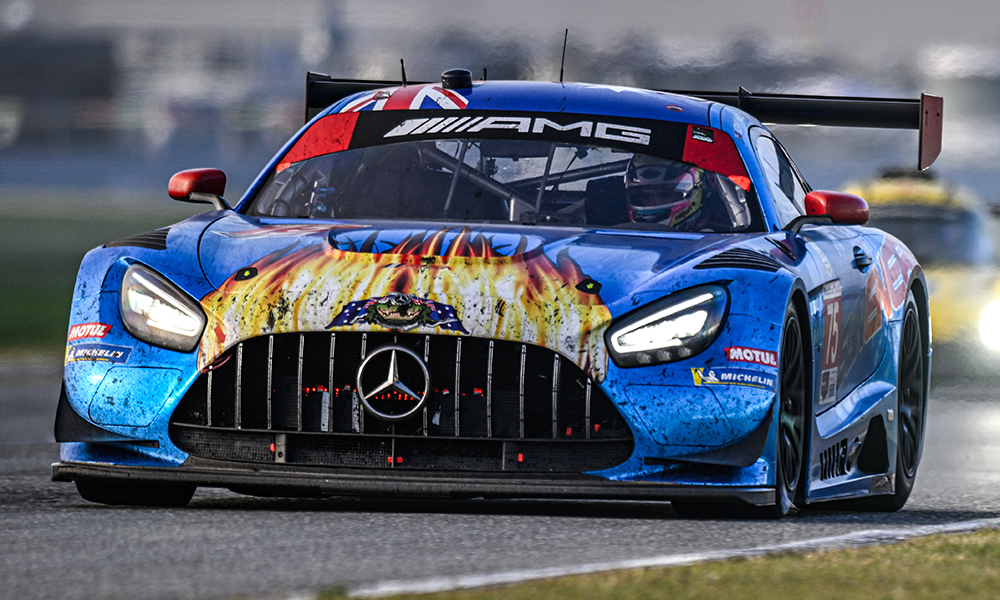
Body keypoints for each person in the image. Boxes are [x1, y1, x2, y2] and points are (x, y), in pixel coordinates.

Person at [624, 154, 714, 230]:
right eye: (647, 197)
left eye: (667, 195)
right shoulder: (620, 232)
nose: (656, 203)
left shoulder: (719, 235)